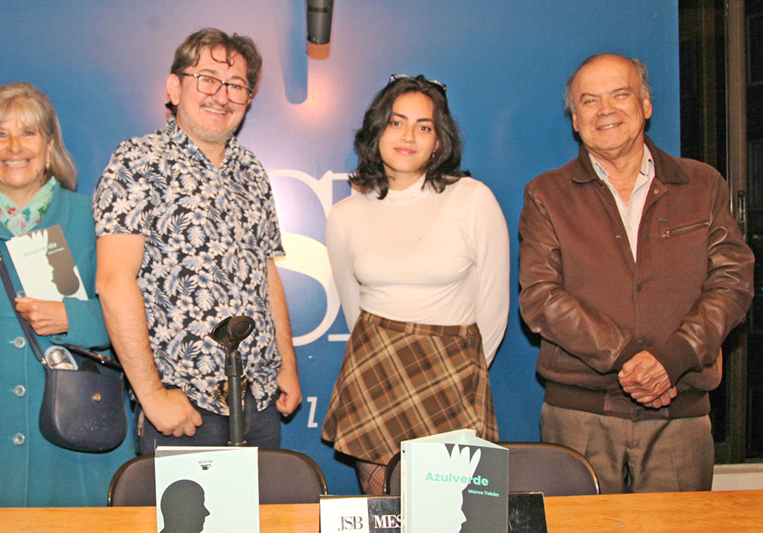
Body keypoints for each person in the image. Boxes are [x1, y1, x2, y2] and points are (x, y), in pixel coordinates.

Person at [519, 53, 754, 493]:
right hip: (580, 418)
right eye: (589, 101)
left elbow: (732, 282)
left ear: (646, 104)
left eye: (620, 95)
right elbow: (540, 296)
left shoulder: (702, 185)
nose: (605, 110)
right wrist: (632, 359)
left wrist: (673, 359)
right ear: (575, 119)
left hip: (680, 415)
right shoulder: (546, 194)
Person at [0, 82, 133, 506]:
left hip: (76, 442)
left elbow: (132, 311)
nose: (14, 146)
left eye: (28, 132)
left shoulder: (92, 216)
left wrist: (75, 319)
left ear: (49, 144)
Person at [93, 28, 302, 454]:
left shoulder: (252, 171)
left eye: (236, 85)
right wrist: (152, 397)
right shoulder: (137, 161)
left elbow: (266, 272)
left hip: (258, 403)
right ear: (174, 88)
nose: (221, 95)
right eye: (206, 79)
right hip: (183, 409)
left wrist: (288, 365)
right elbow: (114, 282)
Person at [320, 75, 509, 494]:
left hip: (454, 374)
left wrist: (466, 371)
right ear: (377, 132)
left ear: (439, 141)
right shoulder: (346, 215)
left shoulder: (474, 199)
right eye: (396, 122)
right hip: (375, 371)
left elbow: (494, 310)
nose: (408, 136)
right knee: (383, 512)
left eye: (424, 126)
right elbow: (355, 311)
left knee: (451, 512)